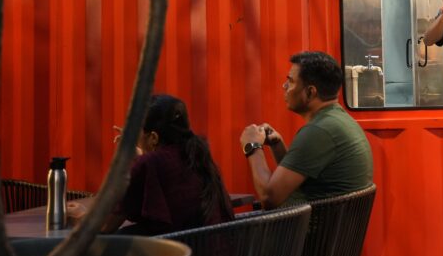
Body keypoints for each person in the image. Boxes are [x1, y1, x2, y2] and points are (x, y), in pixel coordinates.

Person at [70, 94, 234, 235]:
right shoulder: (197, 153)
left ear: (153, 138)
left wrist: (79, 214)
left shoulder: (149, 164)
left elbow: (104, 226)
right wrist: (140, 159)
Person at [240, 51, 373, 208]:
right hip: (329, 221)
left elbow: (269, 198)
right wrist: (277, 145)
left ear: (310, 92)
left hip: (309, 223)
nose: (284, 86)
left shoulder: (319, 131)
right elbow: (297, 177)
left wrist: (252, 147)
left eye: (290, 81)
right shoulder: (339, 120)